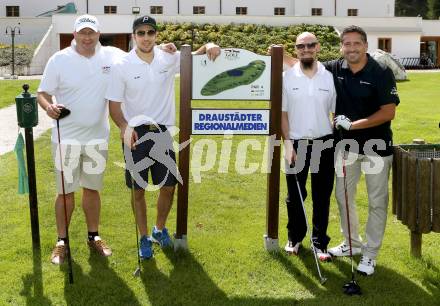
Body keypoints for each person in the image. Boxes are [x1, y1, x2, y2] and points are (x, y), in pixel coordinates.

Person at [106, 15, 221, 260]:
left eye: (150, 33)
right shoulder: (121, 65)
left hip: (162, 133)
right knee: (138, 191)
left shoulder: (167, 57)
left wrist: (209, 46)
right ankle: (144, 237)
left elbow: (194, 56)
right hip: (135, 134)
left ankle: (159, 229)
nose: (146, 37)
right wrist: (124, 127)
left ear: (156, 35)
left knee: (168, 186)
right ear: (133, 36)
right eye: (141, 33)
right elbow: (114, 105)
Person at [37, 15, 127, 264]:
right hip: (66, 139)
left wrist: (170, 48)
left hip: (98, 138)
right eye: (82, 33)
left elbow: (143, 52)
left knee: (92, 189)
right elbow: (42, 93)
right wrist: (48, 107)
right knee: (65, 192)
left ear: (99, 34)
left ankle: (93, 236)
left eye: (92, 33)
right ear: (74, 34)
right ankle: (61, 241)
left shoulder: (112, 55)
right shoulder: (59, 59)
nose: (87, 37)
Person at [325, 26, 400, 275]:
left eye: (356, 43)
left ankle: (370, 254)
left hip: (377, 147)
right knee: (343, 196)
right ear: (341, 47)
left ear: (365, 46)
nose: (351, 48)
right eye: (347, 44)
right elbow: (302, 64)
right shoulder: (335, 68)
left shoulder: (380, 72)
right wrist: (276, 53)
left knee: (377, 201)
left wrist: (354, 125)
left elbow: (388, 111)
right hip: (346, 146)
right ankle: (352, 244)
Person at [281, 32, 336, 261]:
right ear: (296, 50)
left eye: (310, 45)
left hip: (324, 143)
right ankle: (295, 238)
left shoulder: (329, 77)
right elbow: (282, 114)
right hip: (296, 143)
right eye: (301, 46)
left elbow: (336, 112)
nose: (306, 49)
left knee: (322, 196)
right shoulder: (286, 77)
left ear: (318, 47)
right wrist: (287, 143)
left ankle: (319, 243)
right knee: (296, 196)